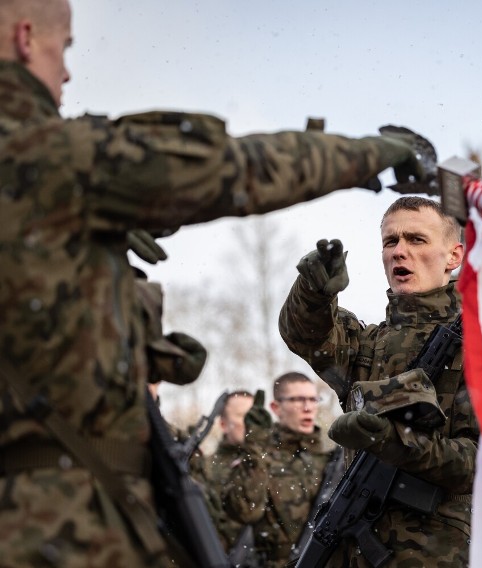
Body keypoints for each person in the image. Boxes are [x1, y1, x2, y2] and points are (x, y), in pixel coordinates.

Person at [0, 0, 427, 565]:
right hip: (56, 519)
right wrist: (371, 153)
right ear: (27, 38)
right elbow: (238, 168)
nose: (69, 72)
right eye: (66, 48)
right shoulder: (43, 153)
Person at [279, 195, 478, 567]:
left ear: (454, 256)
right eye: (391, 241)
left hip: (439, 554)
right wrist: (314, 291)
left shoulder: (480, 345)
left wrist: (391, 442)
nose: (399, 251)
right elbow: (305, 335)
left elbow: (478, 464)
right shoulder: (367, 344)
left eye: (416, 239)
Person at [223, 372, 340, 567]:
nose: (308, 407)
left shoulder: (331, 461)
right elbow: (245, 512)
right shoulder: (260, 459)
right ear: (276, 407)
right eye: (298, 400)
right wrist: (254, 449)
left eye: (313, 399)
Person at [204, 390, 254, 553]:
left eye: (253, 415)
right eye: (242, 416)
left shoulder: (273, 462)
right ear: (223, 425)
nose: (250, 422)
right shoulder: (206, 468)